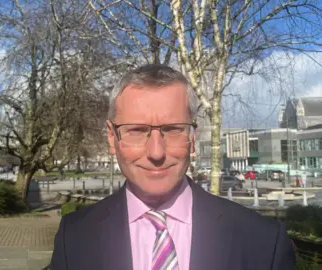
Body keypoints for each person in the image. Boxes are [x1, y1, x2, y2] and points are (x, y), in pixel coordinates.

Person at [50, 64, 295, 270]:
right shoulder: (74, 238)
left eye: (173, 129)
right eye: (137, 130)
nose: (156, 152)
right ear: (112, 138)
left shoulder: (264, 241)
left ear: (192, 138)